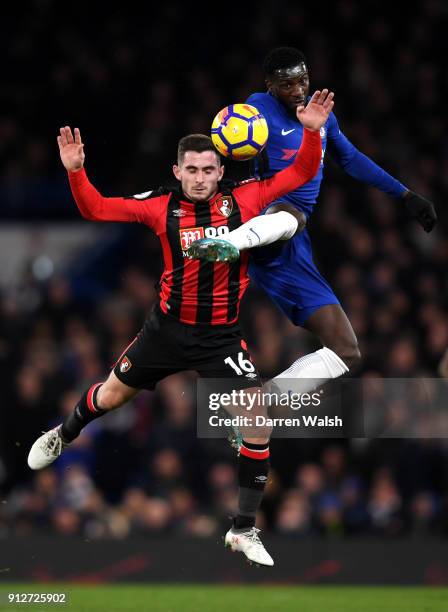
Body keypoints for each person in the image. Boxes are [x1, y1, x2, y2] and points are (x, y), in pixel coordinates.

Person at [27, 88, 334, 567]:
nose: (200, 178)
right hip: (166, 332)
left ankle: (243, 529)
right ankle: (63, 434)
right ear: (177, 172)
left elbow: (300, 172)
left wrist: (312, 132)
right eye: (191, 170)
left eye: (209, 169)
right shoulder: (159, 207)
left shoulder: (246, 198)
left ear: (221, 169)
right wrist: (75, 171)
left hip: (220, 337)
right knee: (109, 398)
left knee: (257, 421)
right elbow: (96, 209)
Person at [189, 46, 437, 398]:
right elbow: (233, 136)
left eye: (303, 80)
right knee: (290, 216)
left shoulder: (320, 117)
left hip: (291, 244)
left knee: (346, 351)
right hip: (263, 217)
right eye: (288, 84)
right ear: (271, 86)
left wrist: (405, 195)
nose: (299, 89)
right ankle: (230, 242)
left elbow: (350, 159)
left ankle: (257, 406)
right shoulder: (258, 109)